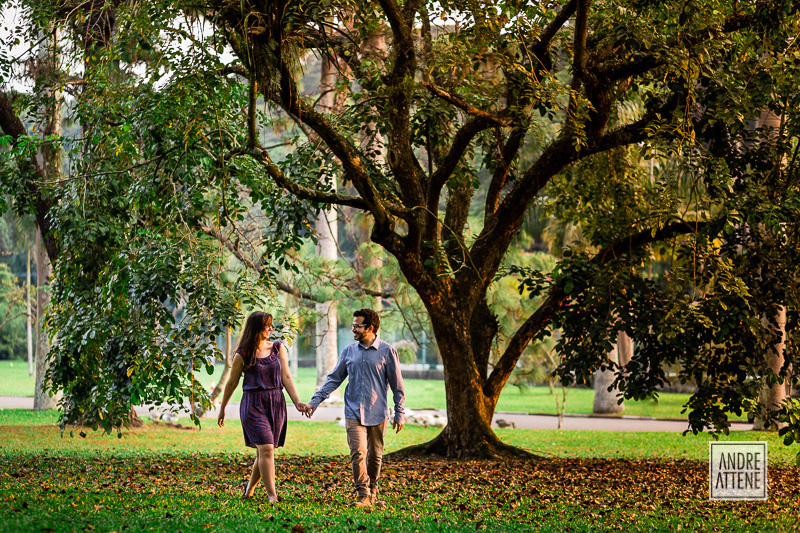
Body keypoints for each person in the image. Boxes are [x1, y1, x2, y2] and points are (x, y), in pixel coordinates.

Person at [305, 308, 405, 507]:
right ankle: (363, 495)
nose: (353, 329)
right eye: (353, 326)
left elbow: (397, 385)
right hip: (353, 411)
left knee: (375, 456)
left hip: (378, 412)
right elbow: (334, 379)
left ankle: (373, 491)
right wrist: (315, 401)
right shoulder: (349, 351)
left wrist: (399, 413)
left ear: (370, 328)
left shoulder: (387, 351)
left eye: (357, 326)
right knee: (358, 453)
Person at [217, 311, 308, 502]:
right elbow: (232, 383)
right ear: (256, 327)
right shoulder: (242, 354)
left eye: (271, 325)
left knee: (265, 450)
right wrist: (222, 408)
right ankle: (272, 495)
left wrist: (297, 401)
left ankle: (249, 489)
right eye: (267, 325)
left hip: (276, 403)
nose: (270, 329)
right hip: (253, 404)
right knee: (266, 448)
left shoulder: (277, 348)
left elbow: (286, 377)